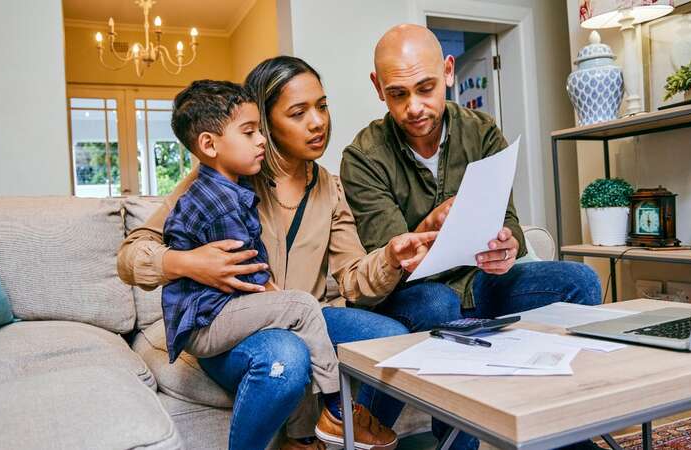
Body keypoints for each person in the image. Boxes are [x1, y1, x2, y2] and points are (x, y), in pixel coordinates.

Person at [117, 57, 437, 450]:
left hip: (307, 314)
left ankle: (337, 432)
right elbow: (131, 255)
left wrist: (390, 256)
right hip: (235, 325)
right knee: (286, 357)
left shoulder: (330, 188)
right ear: (266, 122)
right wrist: (187, 263)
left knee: (392, 340)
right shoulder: (226, 175)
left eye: (322, 106)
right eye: (298, 112)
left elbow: (353, 278)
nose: (318, 122)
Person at [339, 24, 603, 450]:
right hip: (420, 292)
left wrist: (508, 244)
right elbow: (388, 256)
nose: (414, 107)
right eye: (398, 94)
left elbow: (510, 220)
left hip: (482, 282)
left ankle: (558, 426)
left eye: (425, 88)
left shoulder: (481, 131)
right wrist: (429, 226)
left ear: (447, 72)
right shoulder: (363, 156)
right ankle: (456, 438)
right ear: (378, 88)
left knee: (581, 281)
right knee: (437, 302)